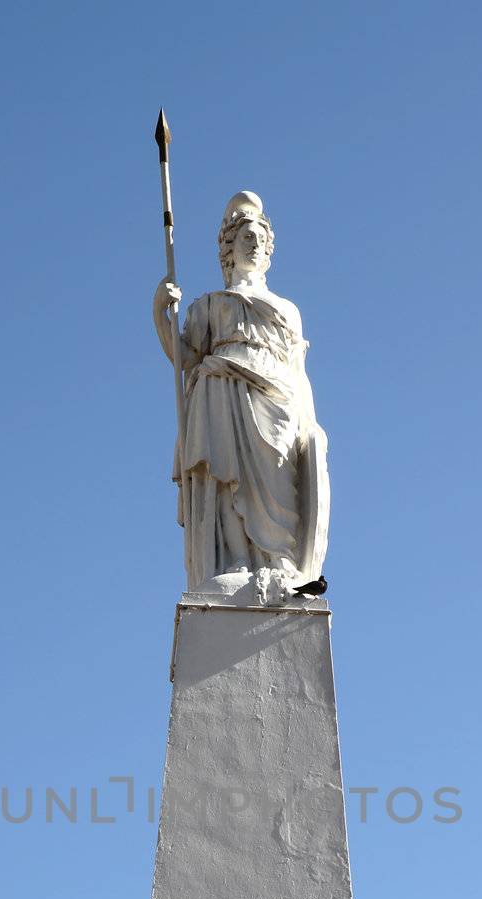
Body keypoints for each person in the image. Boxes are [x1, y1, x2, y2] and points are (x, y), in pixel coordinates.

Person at [153, 192, 330, 598]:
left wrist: (309, 422)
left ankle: (280, 562)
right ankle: (233, 558)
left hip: (277, 398)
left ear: (268, 249)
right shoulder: (210, 304)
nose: (252, 243)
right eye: (244, 237)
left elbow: (299, 374)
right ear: (229, 248)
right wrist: (160, 312)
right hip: (219, 393)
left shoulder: (286, 309)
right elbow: (184, 357)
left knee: (276, 475)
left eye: (259, 238)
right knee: (225, 475)